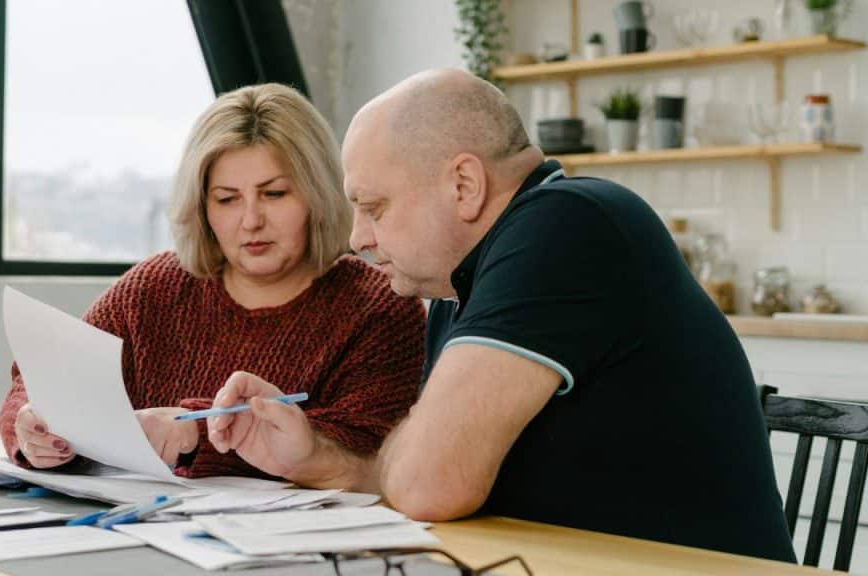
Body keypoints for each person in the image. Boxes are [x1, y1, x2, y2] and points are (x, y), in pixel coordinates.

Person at [205, 69, 796, 562]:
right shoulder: (461, 286)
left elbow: (428, 485)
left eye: (374, 206)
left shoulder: (567, 224)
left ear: (464, 183)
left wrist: (407, 459)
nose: (358, 237)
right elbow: (421, 473)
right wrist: (319, 460)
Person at [0, 83, 425, 479]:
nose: (251, 221)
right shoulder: (152, 290)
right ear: (202, 208)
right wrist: (31, 424)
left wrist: (193, 436)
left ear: (317, 195)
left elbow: (368, 452)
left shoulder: (380, 306)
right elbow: (44, 381)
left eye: (274, 194)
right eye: (227, 199)